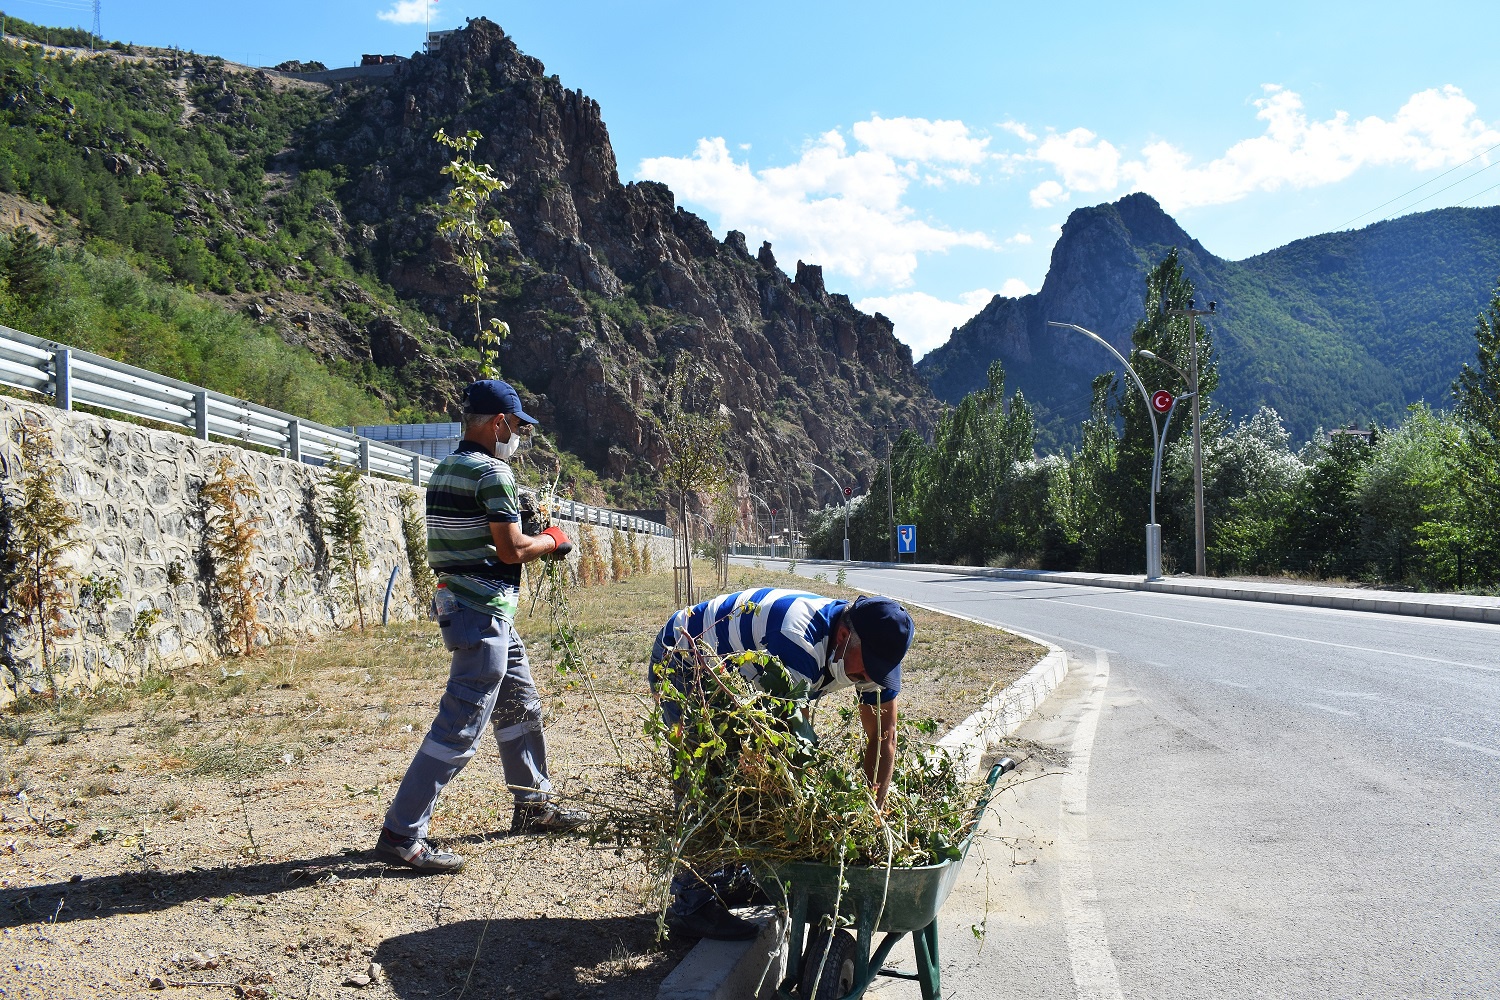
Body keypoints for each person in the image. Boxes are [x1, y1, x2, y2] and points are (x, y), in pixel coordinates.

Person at [375, 378, 588, 873]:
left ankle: (534, 803)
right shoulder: (493, 473)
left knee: (520, 706)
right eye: (516, 427)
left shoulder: (446, 469)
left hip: (476, 612)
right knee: (461, 723)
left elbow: (475, 536)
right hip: (482, 612)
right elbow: (512, 550)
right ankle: (401, 833)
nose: (519, 436)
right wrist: (552, 539)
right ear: (497, 424)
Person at [649, 587, 914, 939]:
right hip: (685, 659)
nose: (870, 677)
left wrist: (870, 814)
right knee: (708, 780)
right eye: (868, 666)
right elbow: (793, 746)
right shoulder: (798, 640)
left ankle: (729, 880)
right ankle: (691, 905)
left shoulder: (871, 655)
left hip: (741, 677)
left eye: (881, 671)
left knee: (745, 778)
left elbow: (883, 737)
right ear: (843, 637)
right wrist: (817, 827)